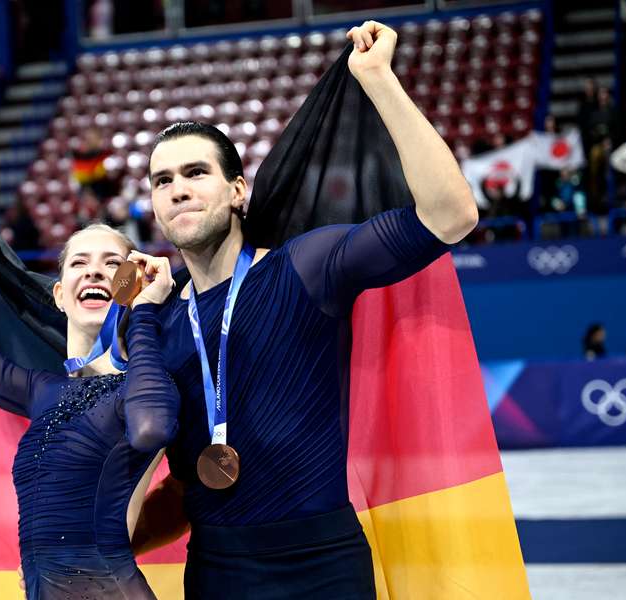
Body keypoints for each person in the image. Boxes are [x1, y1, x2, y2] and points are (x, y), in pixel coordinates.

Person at [131, 21, 478, 598]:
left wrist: (378, 80)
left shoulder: (305, 267)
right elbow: (178, 485)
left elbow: (451, 217)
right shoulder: (159, 324)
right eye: (162, 179)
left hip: (325, 565)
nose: (178, 188)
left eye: (196, 173)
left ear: (239, 191)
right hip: (218, 572)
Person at [0, 163, 180, 599]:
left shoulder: (147, 382)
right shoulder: (41, 390)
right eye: (79, 263)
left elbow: (151, 426)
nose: (95, 271)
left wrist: (143, 313)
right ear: (60, 294)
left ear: (130, 287)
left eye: (112, 265)